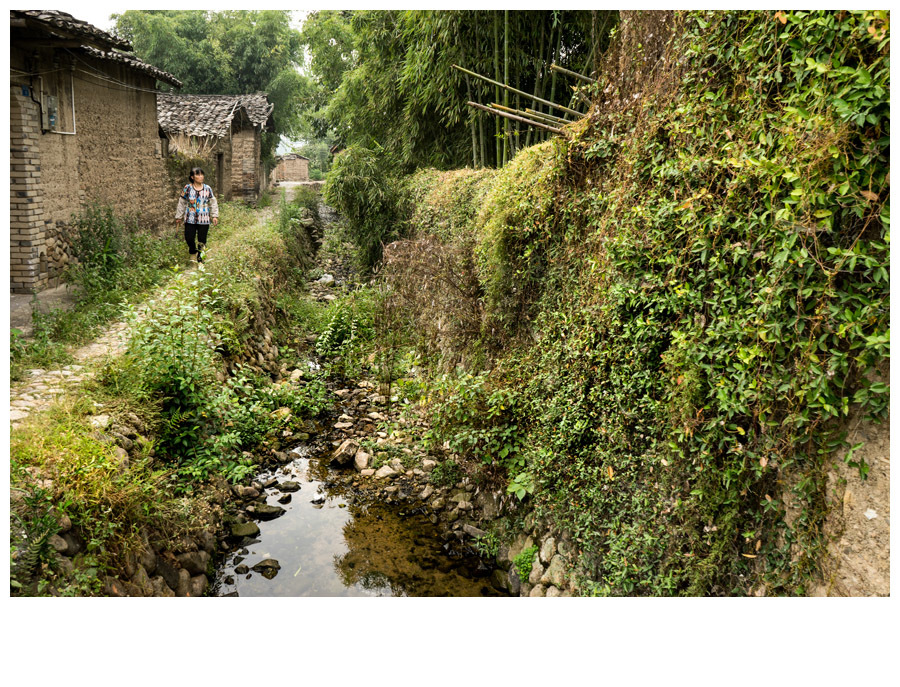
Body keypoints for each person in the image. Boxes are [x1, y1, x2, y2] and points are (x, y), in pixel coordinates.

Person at [175, 167, 219, 263]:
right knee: (189, 238)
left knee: (202, 240)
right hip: (190, 218)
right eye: (198, 175)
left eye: (202, 174)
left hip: (204, 219)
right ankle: (193, 253)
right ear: (192, 177)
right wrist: (179, 216)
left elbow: (213, 202)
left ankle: (200, 260)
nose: (201, 176)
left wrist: (215, 215)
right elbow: (181, 202)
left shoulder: (207, 189)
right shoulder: (187, 188)